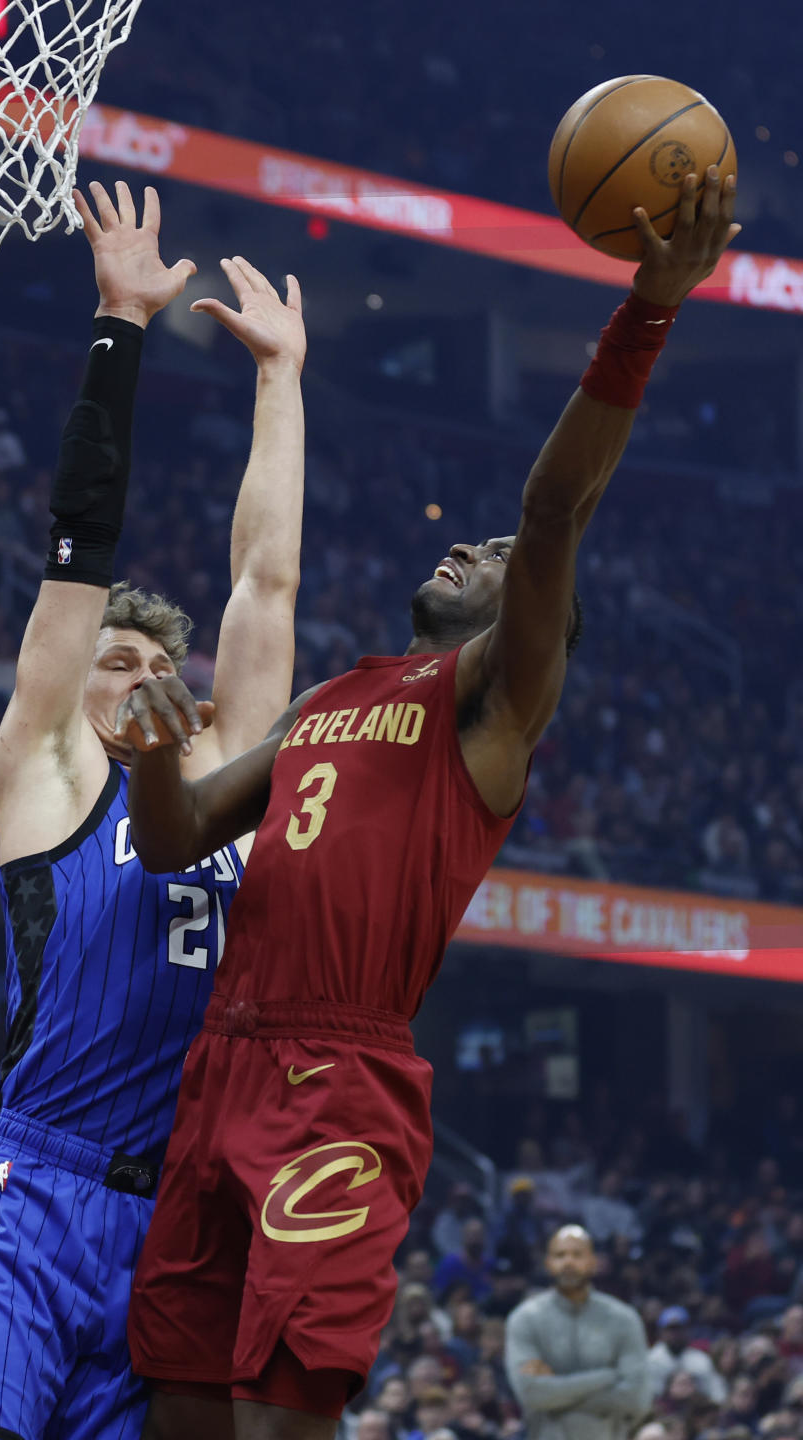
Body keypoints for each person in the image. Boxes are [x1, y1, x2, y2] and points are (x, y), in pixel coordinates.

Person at [123, 168, 738, 1437]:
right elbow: (176, 837)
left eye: (501, 564)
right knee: (178, 1399)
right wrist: (147, 752)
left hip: (337, 1074)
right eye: (477, 549)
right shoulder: (333, 698)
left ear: (537, 625)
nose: (471, 549)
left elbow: (554, 504)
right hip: (222, 1065)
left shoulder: (493, 703)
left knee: (285, 1408)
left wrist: (648, 312)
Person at [0, 181, 307, 1440]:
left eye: (160, 665)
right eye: (118, 663)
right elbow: (79, 545)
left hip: (171, 1228)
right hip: (35, 1188)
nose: (145, 677)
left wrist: (281, 381)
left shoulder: (224, 789)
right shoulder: (48, 773)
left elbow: (268, 577)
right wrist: (120, 330)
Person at [505, 1226, 651, 1439]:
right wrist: (605, 1377)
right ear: (548, 1263)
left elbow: (637, 1399)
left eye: (577, 1254)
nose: (568, 1262)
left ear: (593, 1262)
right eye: (560, 1255)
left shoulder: (623, 1319)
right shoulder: (525, 1319)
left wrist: (556, 1400)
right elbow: (531, 1392)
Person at [647, 1307, 727, 1405]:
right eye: (671, 1329)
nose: (675, 1334)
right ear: (661, 1332)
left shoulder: (701, 1359)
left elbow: (717, 1394)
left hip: (695, 1412)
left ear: (687, 1330)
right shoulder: (651, 1359)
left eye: (679, 1329)